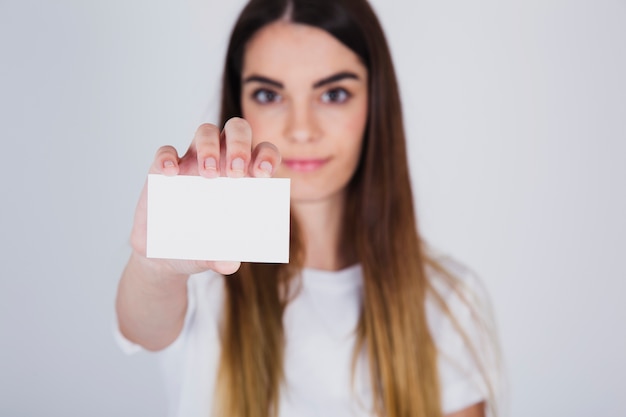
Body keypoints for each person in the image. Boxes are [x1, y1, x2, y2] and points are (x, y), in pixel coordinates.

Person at [115, 0, 501, 416]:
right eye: (268, 94)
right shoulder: (201, 274)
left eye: (334, 94)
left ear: (374, 103)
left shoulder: (449, 300)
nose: (301, 129)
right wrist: (154, 264)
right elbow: (144, 326)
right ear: (239, 104)